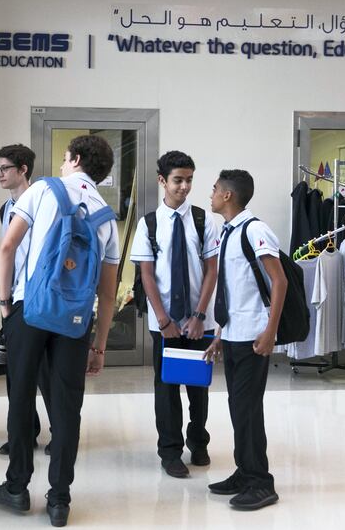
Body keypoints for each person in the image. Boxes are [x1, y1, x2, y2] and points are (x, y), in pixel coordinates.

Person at [0, 135, 120, 527]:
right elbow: (108, 292)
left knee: (21, 394)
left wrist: (4, 303)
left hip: (29, 309)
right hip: (75, 321)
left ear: (76, 159)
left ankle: (16, 487)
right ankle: (60, 498)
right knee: (67, 408)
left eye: (65, 159)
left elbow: (7, 248)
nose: (62, 165)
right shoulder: (107, 216)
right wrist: (99, 346)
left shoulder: (43, 189)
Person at [131, 150, 218, 479]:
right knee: (166, 387)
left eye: (189, 180)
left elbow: (212, 270)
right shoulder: (149, 224)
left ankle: (198, 442)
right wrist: (165, 320)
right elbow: (147, 275)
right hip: (164, 322)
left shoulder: (203, 220)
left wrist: (198, 315)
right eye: (178, 180)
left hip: (199, 320)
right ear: (162, 181)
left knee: (199, 386)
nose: (184, 187)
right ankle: (170, 450)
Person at [204, 169, 286, 511]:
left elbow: (279, 281)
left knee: (248, 410)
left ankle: (261, 483)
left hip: (254, 336)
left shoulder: (255, 230)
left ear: (227, 196)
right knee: (238, 408)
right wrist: (220, 335)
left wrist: (270, 333)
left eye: (213, 189)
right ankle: (244, 471)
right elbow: (233, 292)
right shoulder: (229, 232)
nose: (209, 194)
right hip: (235, 334)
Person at [0, 144, 53, 456]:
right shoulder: (6, 208)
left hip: (37, 298)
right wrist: (4, 301)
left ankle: (59, 432)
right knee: (16, 371)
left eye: (5, 168)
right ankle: (24, 432)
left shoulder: (42, 203)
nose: (0, 174)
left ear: (23, 169)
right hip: (13, 297)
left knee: (46, 372)